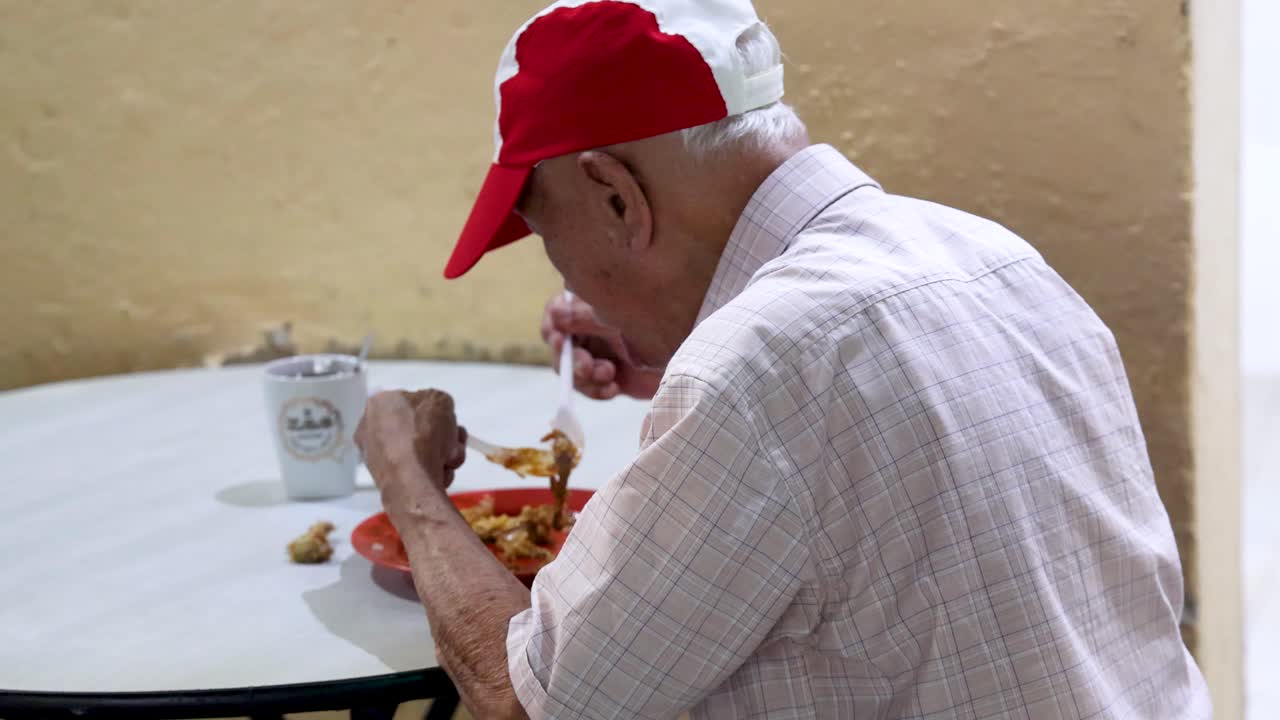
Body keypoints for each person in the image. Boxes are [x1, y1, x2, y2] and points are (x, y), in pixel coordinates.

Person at [354, 0, 1211, 717]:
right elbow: (863, 464)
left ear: (618, 195)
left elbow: (526, 701)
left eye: (548, 238)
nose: (568, 279)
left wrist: (409, 481)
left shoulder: (755, 372)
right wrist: (675, 349)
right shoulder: (990, 255)